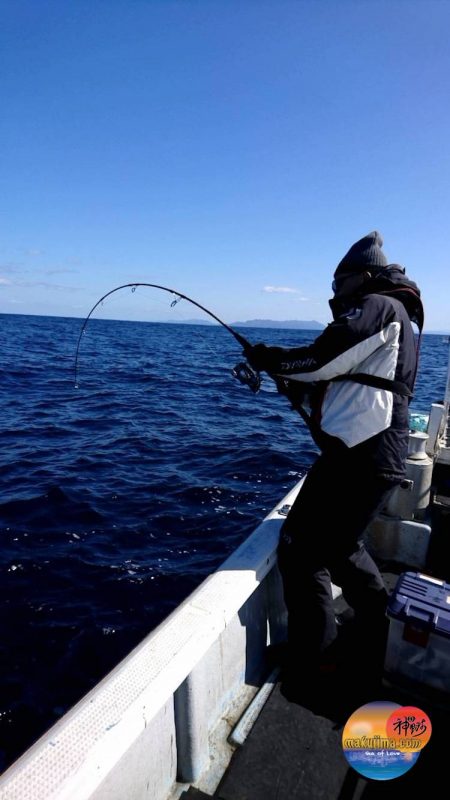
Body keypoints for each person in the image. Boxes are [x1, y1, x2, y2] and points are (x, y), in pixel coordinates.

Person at [244, 231, 424, 697]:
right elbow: (347, 382)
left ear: (363, 277)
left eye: (339, 281)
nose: (334, 292)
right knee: (340, 545)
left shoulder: (378, 306)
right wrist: (291, 379)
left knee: (301, 550)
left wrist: (271, 358)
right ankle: (380, 624)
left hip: (360, 458)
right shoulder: (396, 313)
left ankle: (316, 661)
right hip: (369, 455)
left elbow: (323, 358)